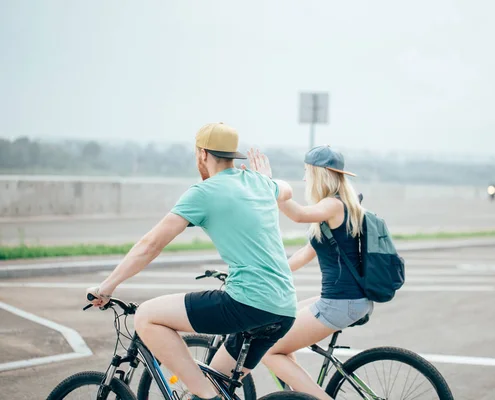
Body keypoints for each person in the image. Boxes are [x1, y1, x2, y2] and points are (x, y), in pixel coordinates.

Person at [85, 123, 297, 400]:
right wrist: (266, 179)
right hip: (283, 308)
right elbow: (288, 189)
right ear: (234, 156)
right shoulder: (259, 183)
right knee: (212, 381)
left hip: (247, 303)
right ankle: (209, 395)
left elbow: (151, 244)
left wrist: (107, 287)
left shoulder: (203, 193)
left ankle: (209, 397)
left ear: (202, 153)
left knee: (147, 316)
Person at [248, 145, 373, 400]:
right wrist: (269, 273)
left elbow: (298, 214)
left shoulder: (334, 205)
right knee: (280, 321)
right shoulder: (336, 208)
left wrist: (269, 184)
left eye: (307, 171)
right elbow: (306, 253)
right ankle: (298, 395)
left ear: (319, 174)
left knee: (268, 349)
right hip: (346, 300)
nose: (304, 178)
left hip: (340, 302)